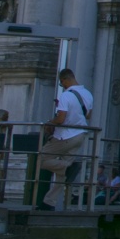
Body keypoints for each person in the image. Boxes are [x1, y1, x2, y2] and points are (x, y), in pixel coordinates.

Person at [36, 69, 95, 210]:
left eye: (62, 83)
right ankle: (49, 202)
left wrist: (51, 122)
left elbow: (61, 118)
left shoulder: (66, 96)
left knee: (40, 159)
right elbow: (87, 116)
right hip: (80, 135)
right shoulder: (88, 94)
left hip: (65, 136)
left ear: (65, 79)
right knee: (61, 175)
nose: (62, 86)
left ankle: (68, 167)